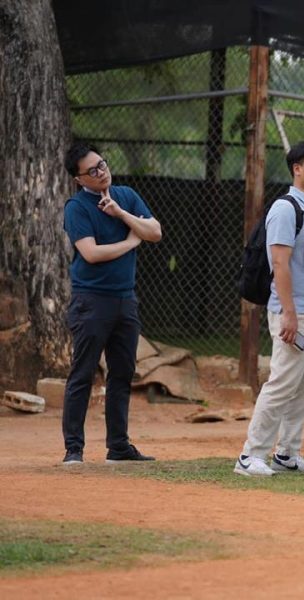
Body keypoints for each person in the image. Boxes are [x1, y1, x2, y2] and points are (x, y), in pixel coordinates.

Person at [234, 141, 304, 476]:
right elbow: (279, 264)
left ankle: (287, 454)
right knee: (282, 382)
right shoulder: (285, 209)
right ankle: (250, 455)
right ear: (298, 168)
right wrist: (289, 313)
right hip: (293, 312)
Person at [61, 142, 163, 465]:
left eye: (102, 164)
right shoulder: (76, 208)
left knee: (122, 372)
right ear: (80, 179)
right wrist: (129, 242)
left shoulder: (126, 195)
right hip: (91, 300)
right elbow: (90, 253)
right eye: (91, 171)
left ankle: (118, 446)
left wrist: (121, 214)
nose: (101, 172)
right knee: (84, 371)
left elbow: (155, 231)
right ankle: (73, 449)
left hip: (125, 299)